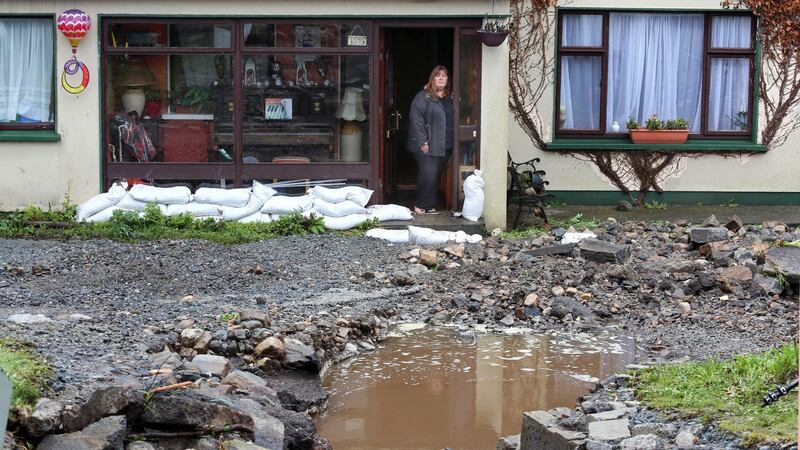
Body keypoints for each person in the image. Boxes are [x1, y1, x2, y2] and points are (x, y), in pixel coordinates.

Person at [407, 65, 453, 214]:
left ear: (447, 79)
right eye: (437, 75)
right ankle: (420, 204)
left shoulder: (450, 98)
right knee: (429, 171)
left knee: (435, 174)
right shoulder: (423, 97)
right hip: (425, 145)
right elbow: (416, 120)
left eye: (444, 75)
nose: (440, 78)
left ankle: (429, 204)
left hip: (444, 144)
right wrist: (422, 142)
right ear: (432, 79)